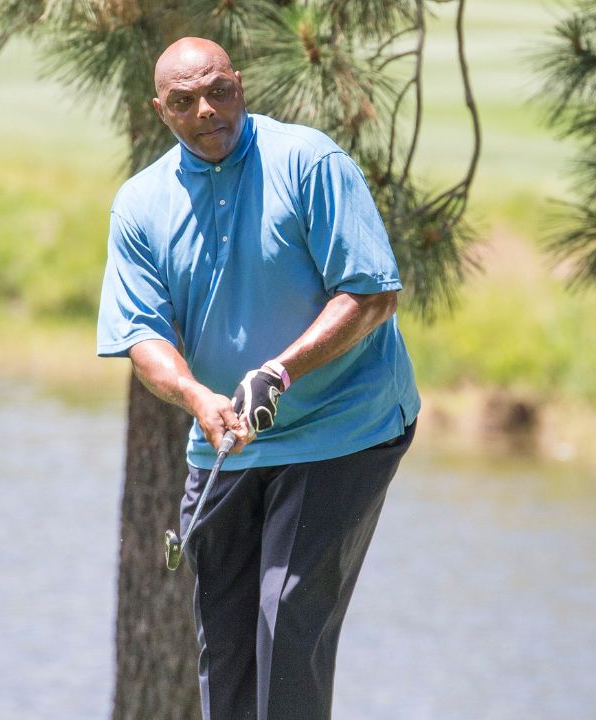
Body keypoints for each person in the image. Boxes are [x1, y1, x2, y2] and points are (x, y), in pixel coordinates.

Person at [95, 36, 420, 720]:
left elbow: (370, 294)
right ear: (162, 111)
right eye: (185, 102)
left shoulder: (308, 161)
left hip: (344, 424)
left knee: (286, 615)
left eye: (219, 90)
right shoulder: (141, 203)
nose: (207, 110)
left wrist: (280, 369)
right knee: (227, 639)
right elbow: (143, 337)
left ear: (240, 84)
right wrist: (194, 396)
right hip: (227, 437)